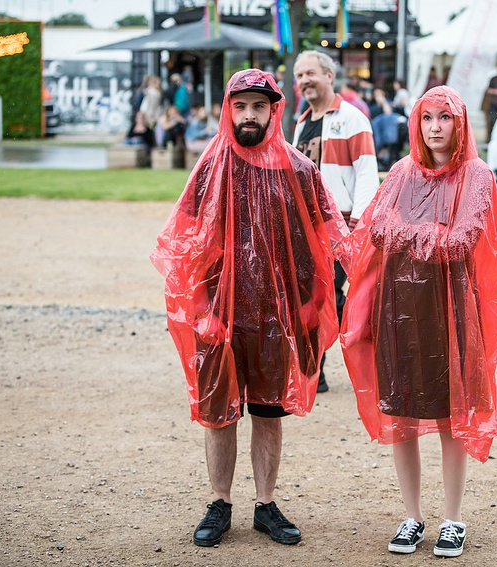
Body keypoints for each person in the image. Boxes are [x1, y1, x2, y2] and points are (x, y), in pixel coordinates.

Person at [150, 69, 350, 548]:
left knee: (268, 411)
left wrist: (312, 306)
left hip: (276, 317)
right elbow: (185, 244)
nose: (248, 115)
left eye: (258, 107)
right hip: (219, 315)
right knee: (219, 411)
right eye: (240, 106)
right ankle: (219, 502)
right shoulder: (211, 167)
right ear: (228, 109)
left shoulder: (299, 170)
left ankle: (265, 505)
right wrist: (202, 309)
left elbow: (324, 244)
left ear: (273, 111)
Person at [338, 85, 497, 558]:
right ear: (416, 124)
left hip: (452, 308)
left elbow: (463, 240)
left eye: (445, 117)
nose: (436, 127)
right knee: (401, 411)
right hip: (398, 305)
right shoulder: (402, 172)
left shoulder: (478, 176)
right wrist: (428, 234)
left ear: (459, 123)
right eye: (428, 118)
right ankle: (412, 516)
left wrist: (411, 234)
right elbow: (375, 227)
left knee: (450, 413)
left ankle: (452, 518)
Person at [292, 50, 379, 393]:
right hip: (305, 226)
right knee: (311, 296)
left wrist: (358, 227)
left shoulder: (352, 119)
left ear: (329, 75)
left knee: (326, 296)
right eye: (299, 76)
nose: (304, 81)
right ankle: (316, 371)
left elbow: (367, 173)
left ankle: (361, 339)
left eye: (310, 73)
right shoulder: (301, 123)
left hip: (339, 225)